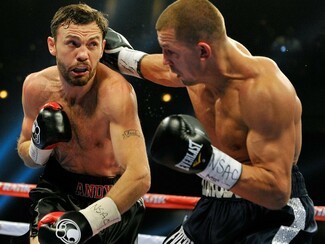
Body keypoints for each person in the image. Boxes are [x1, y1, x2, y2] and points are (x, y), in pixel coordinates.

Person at [101, 0, 317, 243]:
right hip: (212, 207)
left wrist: (206, 162)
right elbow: (161, 69)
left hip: (271, 217)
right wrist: (119, 55)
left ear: (203, 51)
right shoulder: (197, 69)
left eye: (171, 53)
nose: (165, 60)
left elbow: (277, 193)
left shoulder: (264, 92)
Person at [17, 3, 150, 244]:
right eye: (73, 43)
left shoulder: (116, 93)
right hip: (58, 188)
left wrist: (87, 221)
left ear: (102, 49)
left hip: (113, 197)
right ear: (52, 45)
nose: (83, 54)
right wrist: (38, 147)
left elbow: (140, 176)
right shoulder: (36, 88)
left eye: (92, 44)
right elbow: (27, 154)